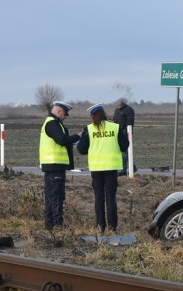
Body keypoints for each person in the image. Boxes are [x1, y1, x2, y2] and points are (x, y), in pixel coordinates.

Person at [77, 104, 129, 234]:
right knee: (111, 197)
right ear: (104, 114)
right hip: (111, 168)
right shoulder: (114, 127)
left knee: (98, 197)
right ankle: (113, 226)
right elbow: (125, 145)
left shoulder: (89, 129)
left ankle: (101, 225)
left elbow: (81, 149)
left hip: (96, 168)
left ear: (93, 116)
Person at [38, 100, 80, 230]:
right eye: (65, 113)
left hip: (53, 165)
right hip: (55, 165)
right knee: (56, 195)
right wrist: (78, 136)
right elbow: (62, 140)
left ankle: (50, 224)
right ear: (58, 111)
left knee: (51, 195)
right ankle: (57, 224)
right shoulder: (52, 123)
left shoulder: (54, 123)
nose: (66, 117)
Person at [113, 99, 136, 175]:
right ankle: (133, 167)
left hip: (125, 133)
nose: (118, 108)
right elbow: (115, 120)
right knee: (123, 152)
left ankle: (124, 170)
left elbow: (129, 123)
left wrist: (125, 134)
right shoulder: (117, 110)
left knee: (124, 152)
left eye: (119, 107)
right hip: (118, 133)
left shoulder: (129, 110)